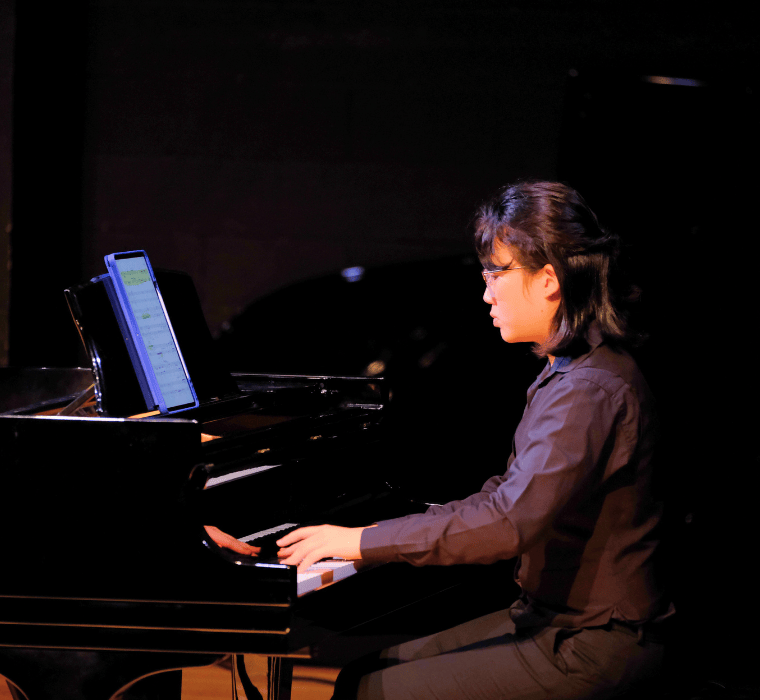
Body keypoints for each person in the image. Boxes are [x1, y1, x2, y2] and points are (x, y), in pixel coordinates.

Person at [276, 180, 672, 700]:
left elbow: (509, 523)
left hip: (592, 644)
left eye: (495, 272)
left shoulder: (588, 390)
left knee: (369, 691)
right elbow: (501, 497)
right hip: (550, 621)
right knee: (359, 676)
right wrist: (369, 535)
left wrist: (362, 544)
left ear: (549, 279)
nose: (485, 291)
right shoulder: (571, 370)